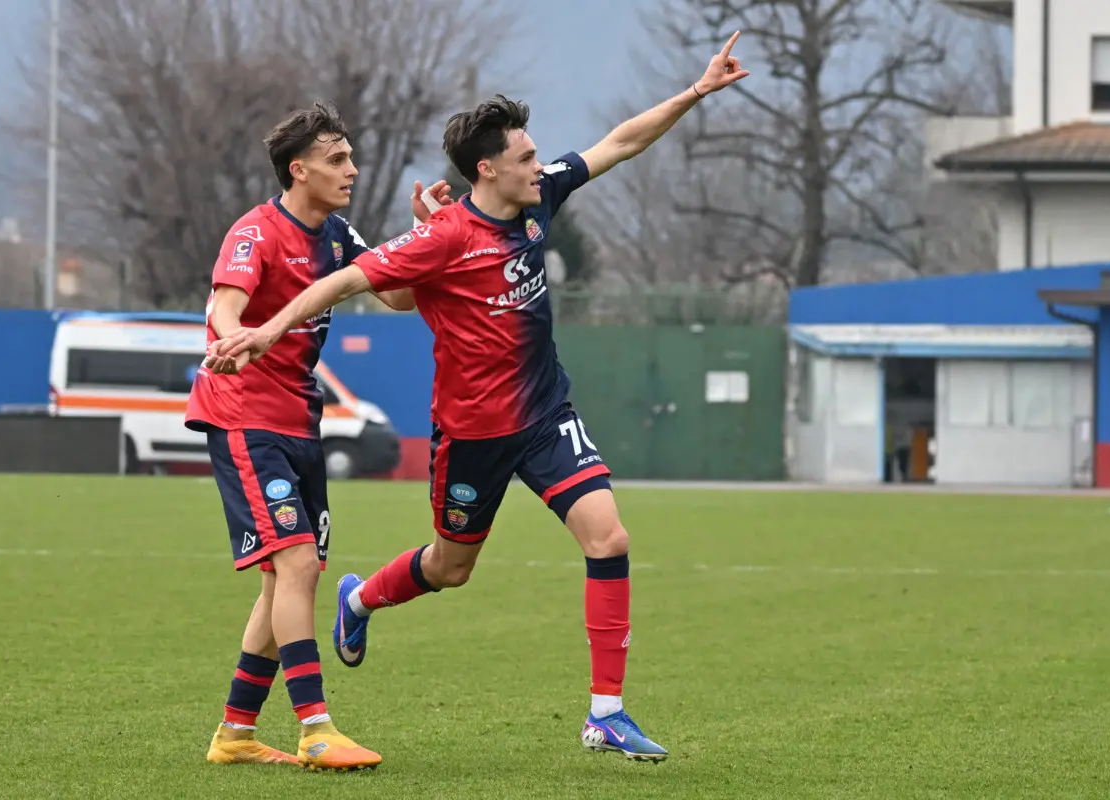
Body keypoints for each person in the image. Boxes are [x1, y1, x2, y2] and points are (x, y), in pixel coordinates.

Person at [206, 34, 749, 762]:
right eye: (526, 157)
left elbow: (620, 143)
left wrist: (695, 91)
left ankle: (606, 714)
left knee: (609, 538)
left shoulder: (539, 197)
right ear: (487, 168)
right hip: (470, 433)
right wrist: (267, 329)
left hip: (545, 415)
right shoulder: (446, 236)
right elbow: (353, 285)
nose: (541, 164)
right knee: (449, 567)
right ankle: (362, 601)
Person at [184, 102, 451, 770]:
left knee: (285, 584)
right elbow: (224, 303)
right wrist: (231, 340)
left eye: (351, 157)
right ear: (298, 169)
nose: (352, 170)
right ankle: (316, 728)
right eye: (338, 159)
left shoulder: (336, 236)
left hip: (300, 421)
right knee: (297, 565)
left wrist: (423, 237)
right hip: (245, 416)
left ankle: (235, 736)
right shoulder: (255, 233)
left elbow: (397, 296)